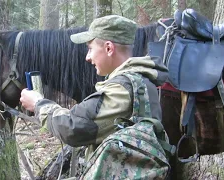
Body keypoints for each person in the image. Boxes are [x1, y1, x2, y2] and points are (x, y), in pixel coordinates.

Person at [20, 15, 168, 161]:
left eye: (90, 49)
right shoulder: (142, 80)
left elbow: (73, 127)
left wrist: (38, 104)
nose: (87, 57)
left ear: (109, 48)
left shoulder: (122, 89)